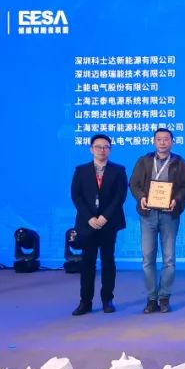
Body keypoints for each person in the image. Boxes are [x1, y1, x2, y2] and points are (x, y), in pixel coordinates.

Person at [129, 128, 185, 313]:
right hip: (148, 214)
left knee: (169, 259)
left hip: (169, 215)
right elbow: (134, 184)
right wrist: (141, 197)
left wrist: (176, 200)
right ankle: (151, 298)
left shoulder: (180, 162)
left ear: (172, 142)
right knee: (147, 258)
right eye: (159, 139)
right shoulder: (144, 161)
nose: (162, 142)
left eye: (166, 139)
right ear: (154, 142)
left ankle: (164, 297)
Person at [70, 134, 127, 315]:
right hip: (87, 224)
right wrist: (89, 218)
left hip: (108, 223)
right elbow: (76, 196)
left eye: (106, 147)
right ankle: (85, 302)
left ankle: (107, 299)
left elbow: (120, 197)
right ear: (91, 149)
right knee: (87, 262)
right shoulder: (81, 170)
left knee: (108, 261)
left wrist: (105, 217)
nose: (102, 150)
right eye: (98, 147)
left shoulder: (118, 170)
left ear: (110, 149)